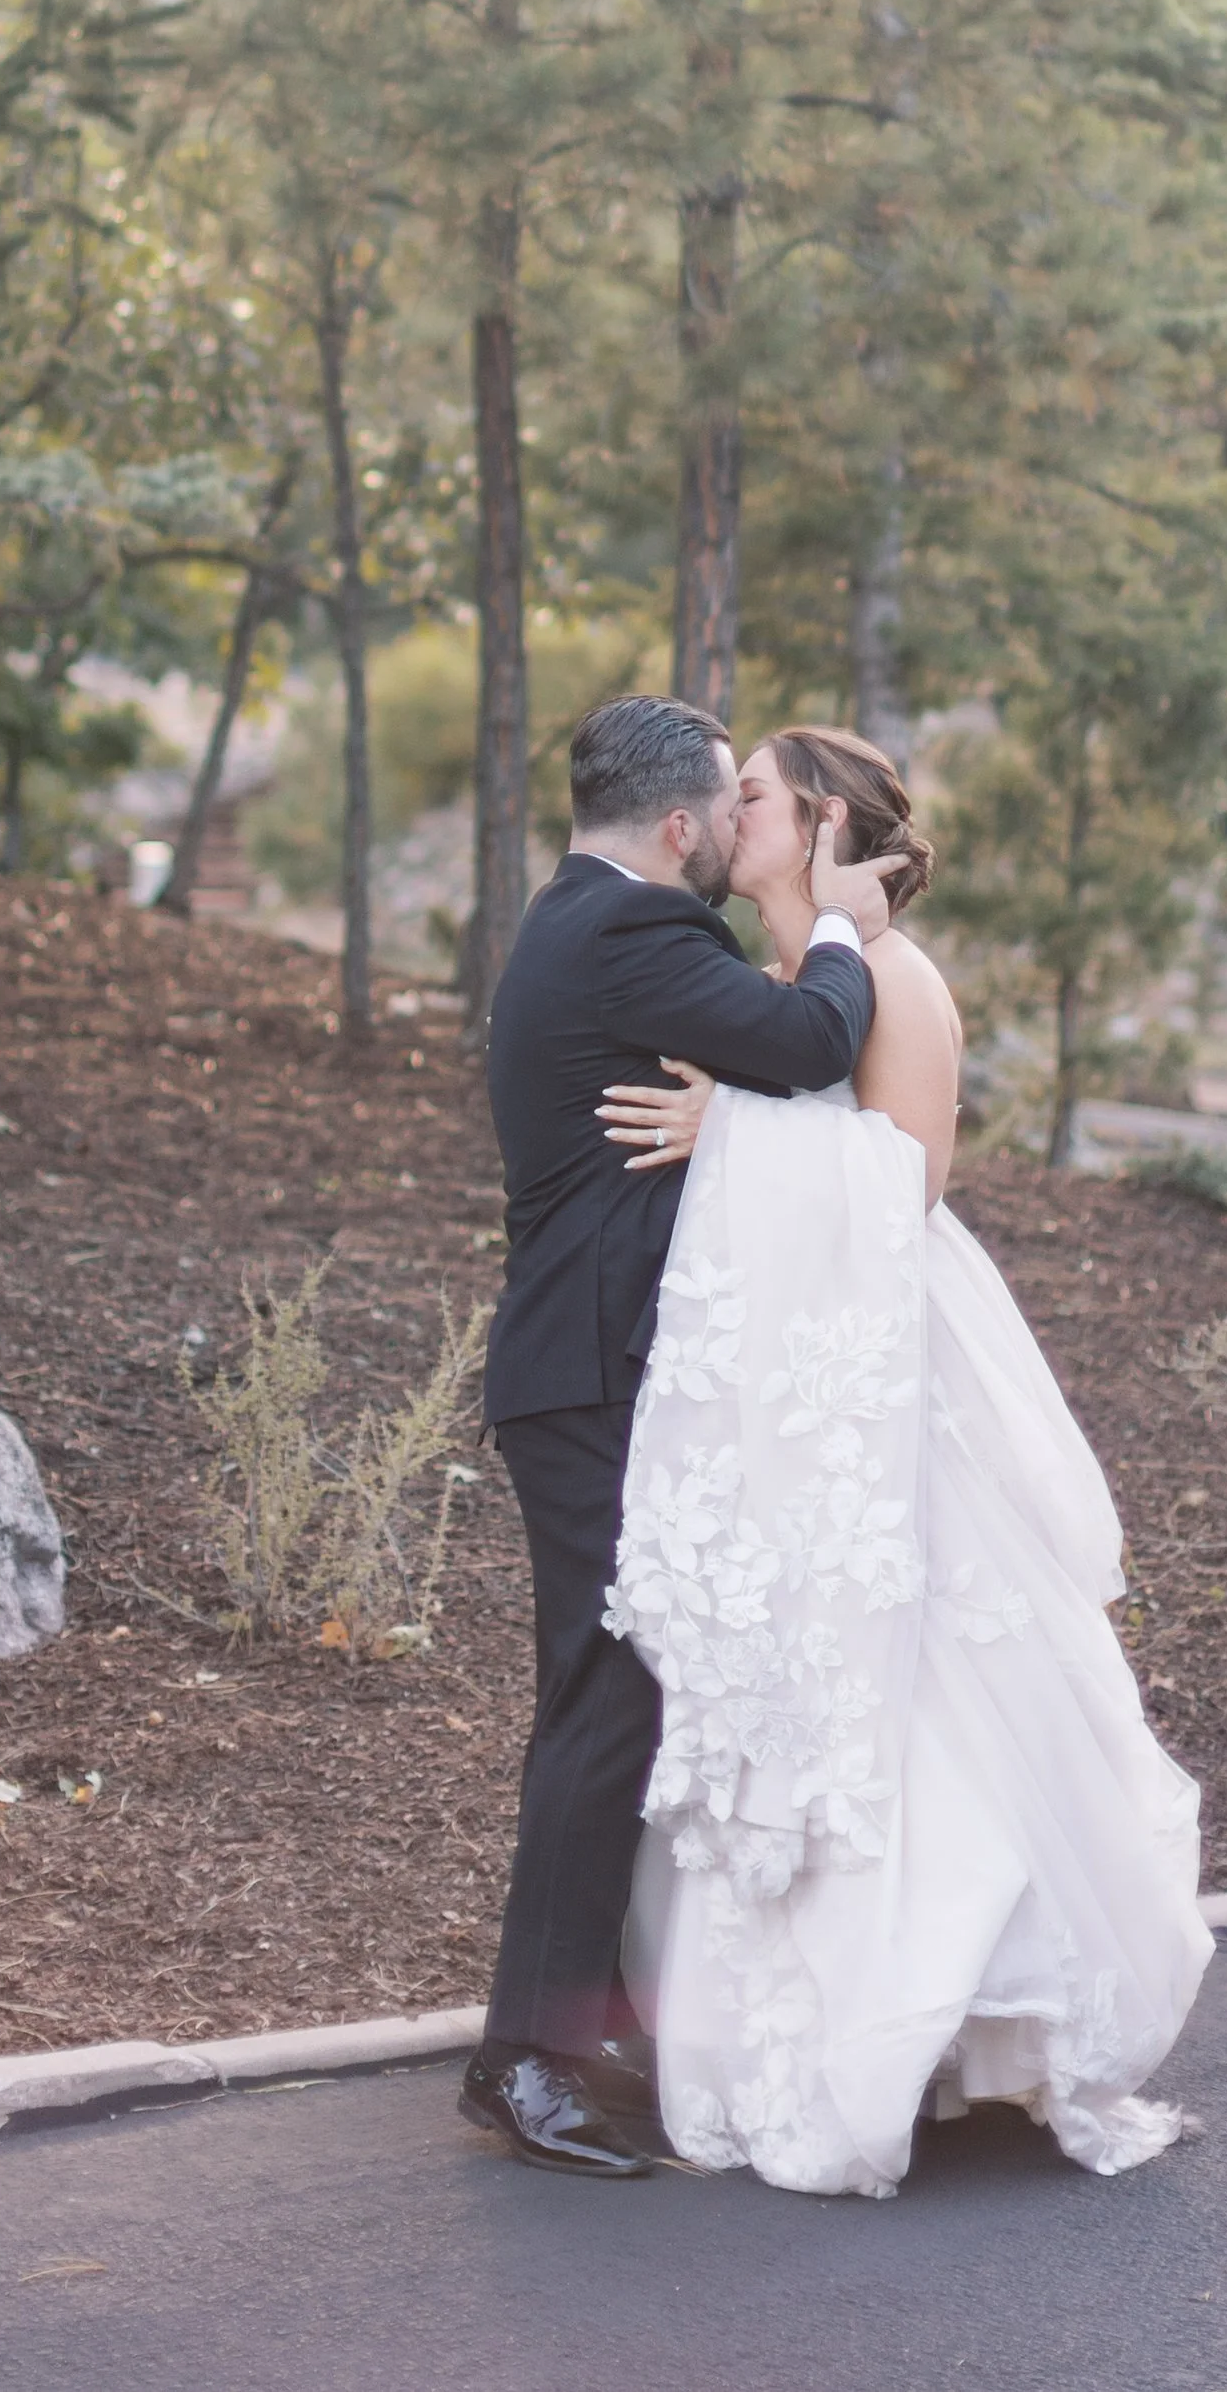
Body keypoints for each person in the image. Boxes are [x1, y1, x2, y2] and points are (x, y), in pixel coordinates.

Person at [598, 726, 1212, 2198]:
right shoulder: (782, 984)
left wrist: (724, 1125)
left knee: (923, 1669)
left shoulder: (902, 982)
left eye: (750, 793)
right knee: (802, 1664)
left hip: (893, 1376)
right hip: (802, 1383)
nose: (724, 810)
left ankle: (942, 2015)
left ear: (817, 821)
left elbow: (909, 1174)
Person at [459, 694, 903, 2181]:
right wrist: (838, 927)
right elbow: (803, 1037)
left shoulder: (566, 923)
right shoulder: (646, 934)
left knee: (617, 1691)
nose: (734, 828)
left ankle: (607, 2012)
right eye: (729, 804)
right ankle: (527, 2057)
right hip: (589, 1374)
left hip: (582, 1371)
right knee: (612, 1690)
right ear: (676, 826)